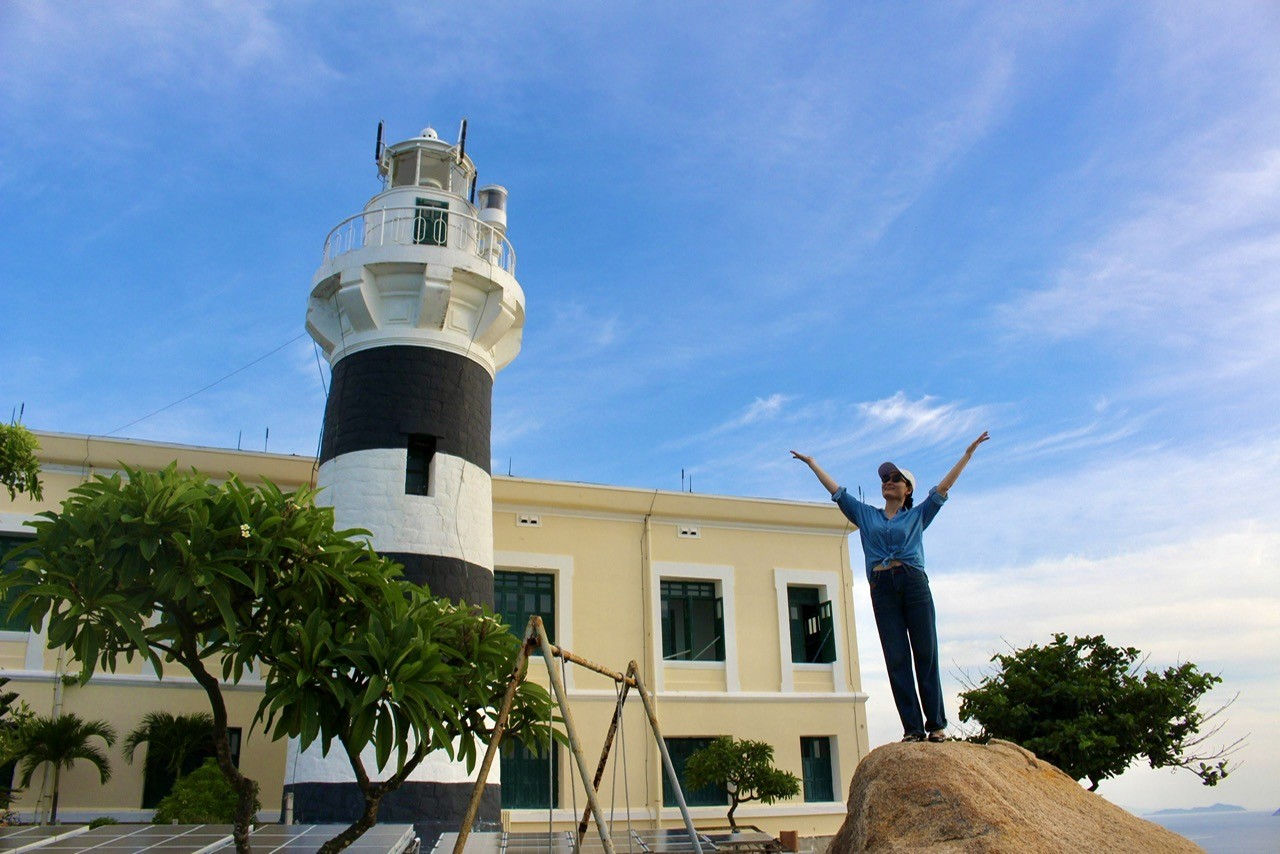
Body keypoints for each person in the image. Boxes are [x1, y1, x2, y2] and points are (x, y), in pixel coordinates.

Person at [791, 432, 989, 743]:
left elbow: (943, 488)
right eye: (886, 478)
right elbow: (838, 493)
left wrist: (967, 455)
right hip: (882, 588)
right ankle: (912, 729)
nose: (888, 482)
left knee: (926, 652)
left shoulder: (918, 515)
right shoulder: (867, 515)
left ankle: (935, 726)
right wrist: (813, 464)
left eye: (896, 479)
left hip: (913, 583)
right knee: (896, 657)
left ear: (908, 489)